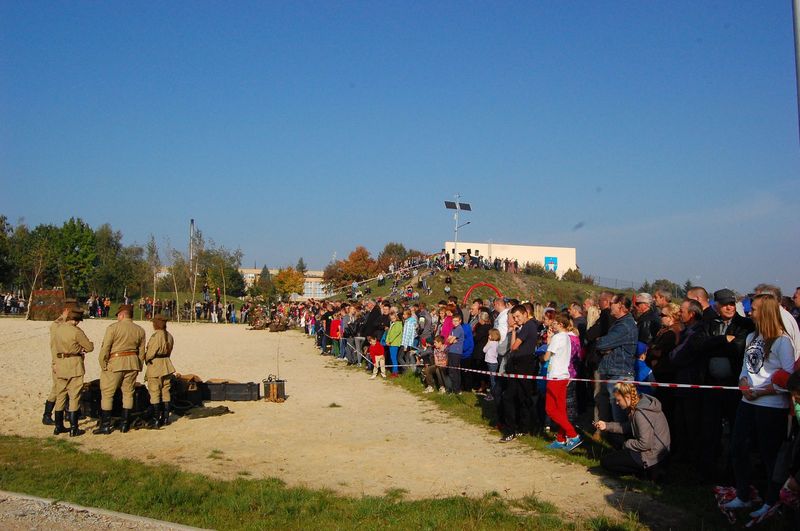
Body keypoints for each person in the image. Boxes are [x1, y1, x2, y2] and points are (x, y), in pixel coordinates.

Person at [723, 294, 796, 517]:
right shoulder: (752, 337)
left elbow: (790, 377)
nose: (749, 313)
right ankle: (743, 495)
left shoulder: (783, 341)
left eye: (753, 309)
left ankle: (771, 501)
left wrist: (764, 391)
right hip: (747, 402)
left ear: (765, 311)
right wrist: (743, 383)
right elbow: (746, 368)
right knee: (738, 448)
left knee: (769, 454)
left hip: (771, 406)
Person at [594, 382, 671, 478]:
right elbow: (627, 427)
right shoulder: (640, 404)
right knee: (613, 436)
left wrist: (626, 444)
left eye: (618, 400)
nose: (617, 403)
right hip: (657, 452)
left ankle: (646, 472)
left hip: (652, 456)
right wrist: (606, 426)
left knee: (605, 462)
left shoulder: (640, 413)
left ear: (627, 397)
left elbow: (645, 444)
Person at [94, 304, 146, 435]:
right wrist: (139, 365)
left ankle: (105, 426)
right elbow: (141, 351)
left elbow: (105, 348)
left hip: (115, 363)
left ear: (122, 315)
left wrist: (103, 364)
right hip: (132, 363)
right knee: (128, 393)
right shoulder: (140, 330)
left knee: (107, 393)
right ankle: (125, 424)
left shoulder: (113, 328)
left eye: (118, 315)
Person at [595, 293, 638, 423]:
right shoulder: (620, 323)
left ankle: (622, 443)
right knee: (614, 413)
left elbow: (601, 343)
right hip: (614, 372)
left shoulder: (624, 326)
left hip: (621, 375)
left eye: (612, 303)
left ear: (620, 305)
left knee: (620, 417)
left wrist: (604, 344)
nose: (609, 306)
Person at [500, 305, 539, 442]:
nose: (516, 320)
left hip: (523, 364)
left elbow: (514, 347)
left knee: (515, 397)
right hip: (519, 363)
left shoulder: (529, 326)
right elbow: (513, 348)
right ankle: (522, 427)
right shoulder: (527, 326)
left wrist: (515, 332)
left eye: (518, 316)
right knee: (519, 397)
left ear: (525, 313)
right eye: (514, 317)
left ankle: (514, 429)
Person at [51, 309, 93, 437]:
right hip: (74, 364)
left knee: (60, 395)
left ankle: (58, 426)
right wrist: (82, 348)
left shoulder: (57, 329)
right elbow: (89, 347)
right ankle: (74, 428)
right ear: (76, 321)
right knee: (74, 396)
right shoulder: (76, 332)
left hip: (60, 363)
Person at [543, 314, 581, 451]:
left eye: (555, 323)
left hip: (555, 377)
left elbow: (547, 356)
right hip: (564, 376)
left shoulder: (558, 337)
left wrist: (548, 342)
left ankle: (572, 434)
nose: (553, 325)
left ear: (561, 324)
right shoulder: (568, 337)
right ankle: (561, 438)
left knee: (551, 409)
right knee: (560, 410)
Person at [42, 299, 78, 425]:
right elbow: (54, 346)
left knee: (66, 388)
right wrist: (55, 363)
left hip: (67, 361)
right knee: (57, 388)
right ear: (67, 311)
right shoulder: (56, 325)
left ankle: (66, 413)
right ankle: (47, 415)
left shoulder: (67, 323)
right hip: (59, 361)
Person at [144, 314, 176, 429]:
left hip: (156, 365)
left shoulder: (156, 336)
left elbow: (150, 353)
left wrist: (146, 359)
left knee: (154, 391)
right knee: (166, 391)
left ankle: (156, 419)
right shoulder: (170, 336)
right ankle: (166, 418)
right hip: (167, 364)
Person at [445, 314, 465, 393]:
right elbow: (448, 339)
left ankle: (456, 389)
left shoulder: (459, 329)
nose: (455, 322)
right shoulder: (453, 328)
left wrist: (452, 340)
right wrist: (452, 340)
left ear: (460, 321)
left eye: (457, 321)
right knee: (452, 371)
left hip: (456, 352)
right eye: (453, 321)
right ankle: (454, 388)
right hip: (451, 350)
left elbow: (450, 340)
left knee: (454, 371)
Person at [483, 328, 500, 400]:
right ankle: (492, 394)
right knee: (493, 379)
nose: (488, 336)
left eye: (490, 335)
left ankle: (493, 395)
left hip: (491, 362)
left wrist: (488, 341)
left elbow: (484, 350)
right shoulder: (497, 343)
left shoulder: (490, 343)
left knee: (492, 380)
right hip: (494, 362)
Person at [386, 311, 404, 377]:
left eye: (393, 318)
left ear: (396, 317)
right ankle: (394, 371)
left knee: (394, 358)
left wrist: (390, 341)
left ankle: (395, 372)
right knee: (392, 357)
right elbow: (389, 333)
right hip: (391, 343)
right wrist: (387, 340)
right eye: (391, 318)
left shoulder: (399, 324)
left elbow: (395, 333)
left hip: (395, 343)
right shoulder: (392, 323)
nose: (392, 320)